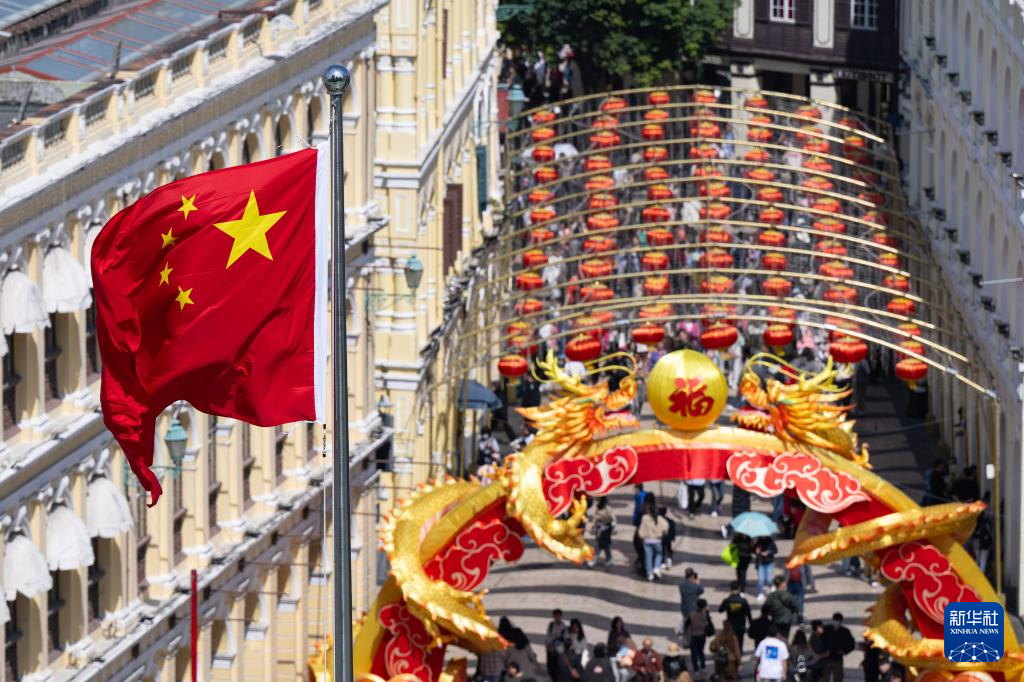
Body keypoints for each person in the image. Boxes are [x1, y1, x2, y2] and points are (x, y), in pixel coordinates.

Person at [719, 581, 753, 654]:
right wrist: (751, 624)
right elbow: (748, 614)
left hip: (731, 625)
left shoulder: (727, 600)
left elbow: (720, 610)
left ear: (731, 588)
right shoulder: (743, 601)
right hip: (741, 624)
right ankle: (739, 656)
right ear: (739, 588)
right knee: (740, 642)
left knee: (731, 642)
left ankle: (732, 656)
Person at [638, 497, 668, 580]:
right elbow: (666, 527)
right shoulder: (660, 519)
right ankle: (656, 567)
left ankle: (649, 573)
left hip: (647, 541)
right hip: (657, 541)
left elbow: (641, 529)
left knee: (648, 557)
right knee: (659, 554)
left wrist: (641, 536)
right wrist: (663, 533)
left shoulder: (644, 518)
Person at [821, 613, 856, 682]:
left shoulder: (845, 632)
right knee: (824, 678)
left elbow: (851, 644)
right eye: (835, 620)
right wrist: (822, 651)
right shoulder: (826, 629)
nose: (836, 622)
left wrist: (845, 651)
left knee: (838, 678)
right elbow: (818, 641)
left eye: (838, 621)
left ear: (840, 622)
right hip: (826, 658)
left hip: (838, 658)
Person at [589, 497, 616, 567]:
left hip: (606, 529)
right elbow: (594, 519)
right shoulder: (598, 508)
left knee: (600, 544)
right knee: (605, 545)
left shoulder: (607, 508)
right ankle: (609, 559)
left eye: (598, 500)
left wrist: (613, 527)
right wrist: (593, 527)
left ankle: (594, 559)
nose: (596, 501)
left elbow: (612, 518)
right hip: (599, 528)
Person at [688, 599, 713, 672]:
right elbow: (709, 621)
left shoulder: (692, 614)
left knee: (693, 653)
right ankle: (703, 665)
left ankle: (696, 668)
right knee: (701, 651)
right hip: (702, 635)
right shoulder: (705, 614)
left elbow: (687, 624)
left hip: (694, 635)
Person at [546, 609, 569, 680]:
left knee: (557, 666)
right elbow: (548, 635)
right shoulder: (551, 625)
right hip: (551, 648)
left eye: (558, 616)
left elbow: (566, 637)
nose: (556, 618)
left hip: (559, 649)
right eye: (555, 616)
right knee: (551, 666)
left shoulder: (564, 627)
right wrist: (548, 645)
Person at [754, 536, 778, 600]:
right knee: (761, 580)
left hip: (769, 562)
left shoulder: (770, 541)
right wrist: (756, 551)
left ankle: (772, 586)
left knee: (769, 579)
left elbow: (775, 550)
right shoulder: (757, 541)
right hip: (760, 562)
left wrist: (768, 552)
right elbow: (754, 550)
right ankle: (760, 593)